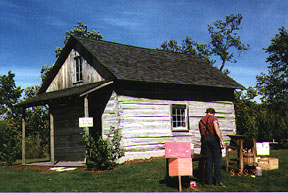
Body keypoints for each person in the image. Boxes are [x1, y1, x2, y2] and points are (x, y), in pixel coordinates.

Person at [199, 108, 225, 186]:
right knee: (217, 160)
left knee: (208, 161)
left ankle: (209, 180)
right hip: (213, 138)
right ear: (213, 113)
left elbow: (201, 132)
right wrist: (221, 141)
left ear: (207, 113)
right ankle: (217, 181)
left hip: (205, 139)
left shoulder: (201, 121)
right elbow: (216, 130)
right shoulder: (214, 119)